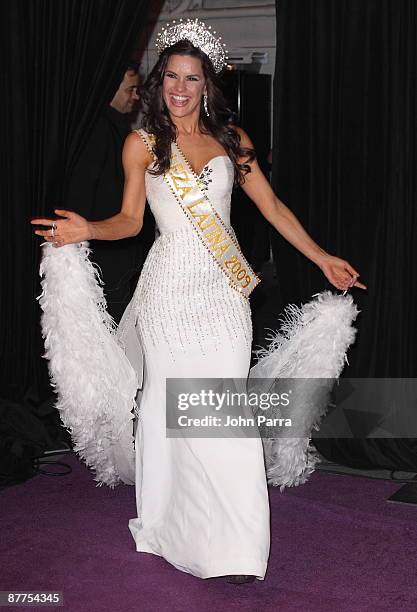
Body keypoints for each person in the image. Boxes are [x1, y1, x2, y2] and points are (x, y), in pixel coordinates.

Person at [31, 19, 366, 584]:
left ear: (208, 86)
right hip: (167, 292)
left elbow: (274, 209)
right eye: (171, 77)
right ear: (160, 83)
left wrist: (322, 256)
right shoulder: (141, 144)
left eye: (192, 78)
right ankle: (170, 522)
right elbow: (130, 221)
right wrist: (87, 228)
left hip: (222, 294)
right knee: (170, 410)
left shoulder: (234, 143)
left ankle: (237, 542)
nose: (180, 88)